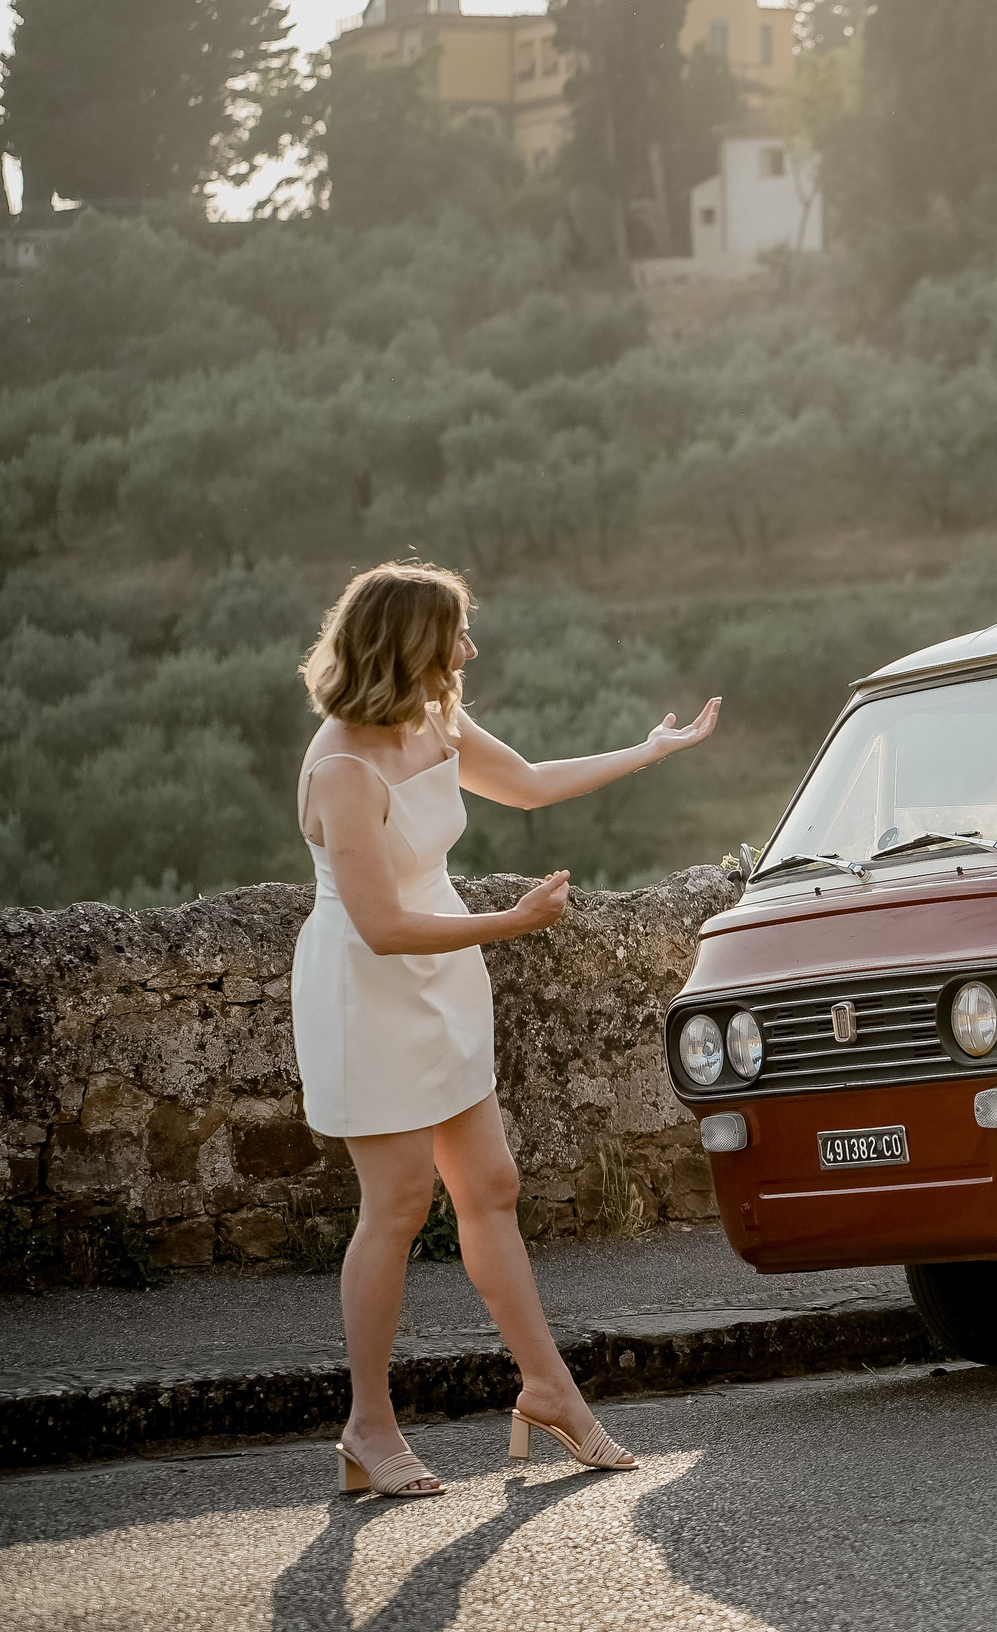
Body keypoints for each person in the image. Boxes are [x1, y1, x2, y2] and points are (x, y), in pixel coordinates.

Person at [294, 562, 719, 1497]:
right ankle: (367, 1426)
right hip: (370, 987)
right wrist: (513, 923)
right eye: (457, 633)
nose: (470, 649)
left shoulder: (435, 718)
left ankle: (547, 1388)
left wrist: (650, 748)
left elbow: (524, 784)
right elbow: (380, 925)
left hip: (445, 969)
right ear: (408, 643)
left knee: (491, 1183)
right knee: (398, 1205)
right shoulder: (341, 766)